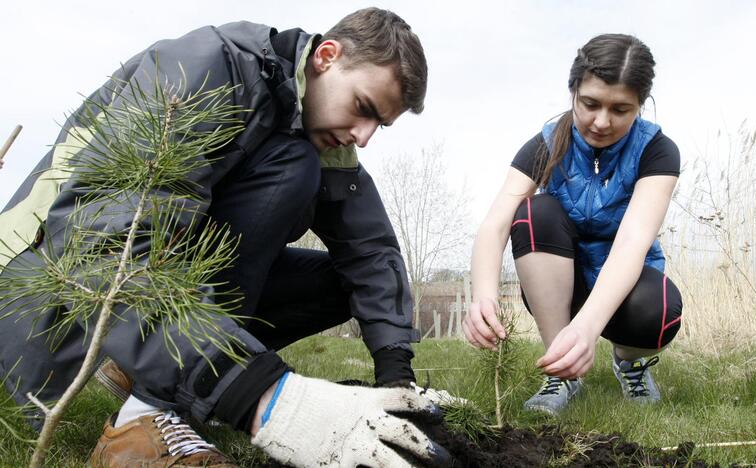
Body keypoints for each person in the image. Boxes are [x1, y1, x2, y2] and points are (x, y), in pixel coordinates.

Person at [0, 8, 451, 467]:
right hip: (39, 287)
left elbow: (371, 252)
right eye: (363, 108)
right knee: (294, 169)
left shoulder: (318, 134)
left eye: (381, 125)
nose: (364, 136)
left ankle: (151, 374)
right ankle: (145, 416)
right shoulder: (205, 69)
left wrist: (397, 380)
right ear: (326, 57)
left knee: (340, 277)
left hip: (145, 284)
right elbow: (102, 247)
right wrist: (263, 399)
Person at [465, 34, 683, 415]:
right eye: (590, 104)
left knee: (661, 310)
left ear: (640, 106)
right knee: (535, 212)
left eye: (620, 109)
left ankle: (629, 363)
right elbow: (495, 224)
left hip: (624, 286)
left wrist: (586, 329)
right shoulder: (547, 144)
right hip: (563, 283)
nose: (601, 121)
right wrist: (483, 295)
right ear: (573, 92)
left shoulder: (658, 151)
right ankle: (562, 371)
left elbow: (633, 241)